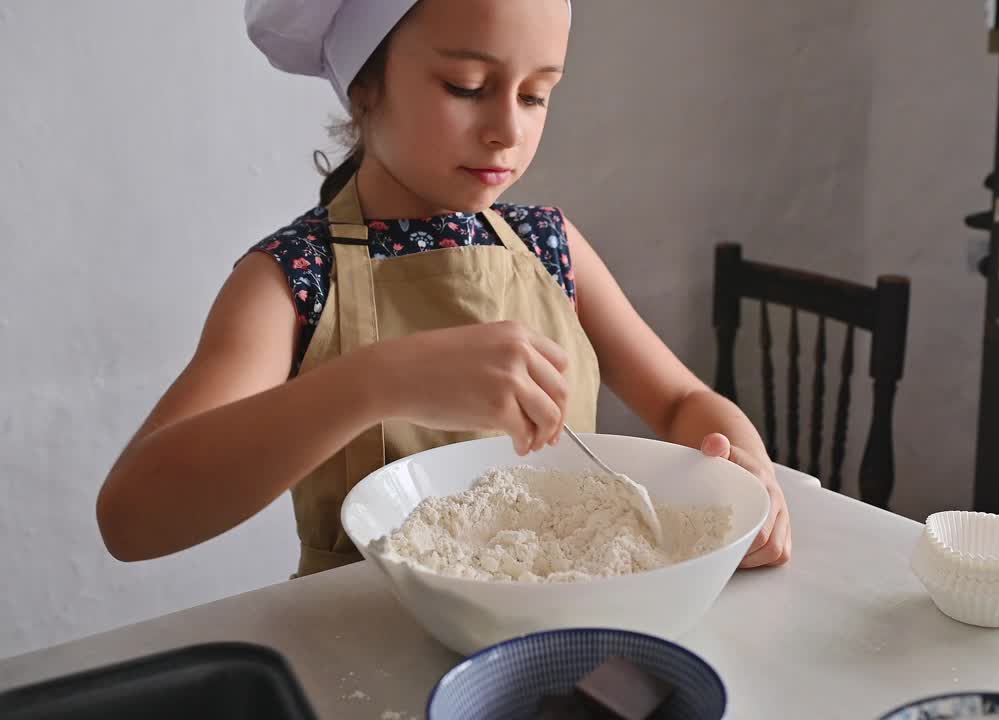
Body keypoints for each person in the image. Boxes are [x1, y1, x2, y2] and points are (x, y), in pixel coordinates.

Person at [96, 0, 791, 577]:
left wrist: (745, 468)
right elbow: (132, 517)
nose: (507, 130)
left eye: (537, 94)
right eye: (465, 85)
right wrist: (374, 381)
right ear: (365, 85)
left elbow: (679, 402)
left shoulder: (552, 247)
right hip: (362, 662)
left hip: (564, 637)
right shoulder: (293, 278)